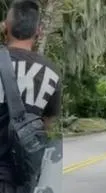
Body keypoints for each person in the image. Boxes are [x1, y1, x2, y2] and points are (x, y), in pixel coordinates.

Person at [0, 0, 61, 192]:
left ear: (5, 27)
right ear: (39, 31)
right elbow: (47, 124)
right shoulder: (51, 73)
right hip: (22, 179)